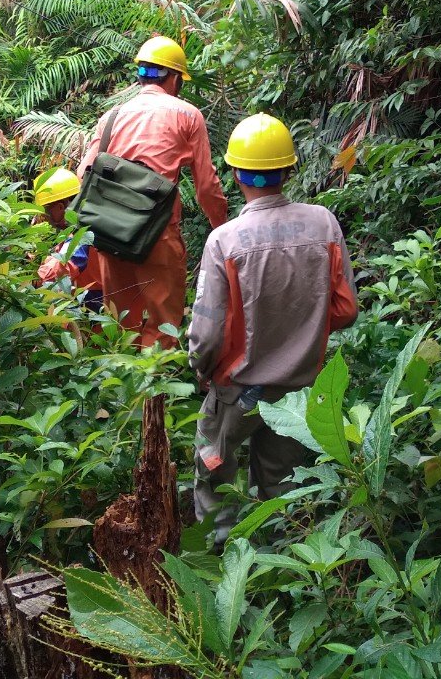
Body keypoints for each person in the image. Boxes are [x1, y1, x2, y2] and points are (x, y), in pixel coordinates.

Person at [188, 113, 359, 546]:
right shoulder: (324, 223)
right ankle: (290, 574)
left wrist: (202, 370)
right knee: (286, 489)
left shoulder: (225, 240)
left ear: (235, 171)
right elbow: (345, 309)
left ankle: (224, 564)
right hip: (300, 392)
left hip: (237, 391)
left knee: (215, 483)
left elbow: (206, 336)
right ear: (288, 168)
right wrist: (300, 334)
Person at [80, 35, 229, 348]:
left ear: (140, 75)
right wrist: (223, 233)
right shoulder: (187, 115)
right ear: (174, 78)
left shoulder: (111, 117)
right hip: (158, 237)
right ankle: (157, 393)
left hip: (111, 235)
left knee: (120, 327)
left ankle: (124, 394)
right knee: (162, 329)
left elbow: (84, 174)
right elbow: (206, 187)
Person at [32, 168, 103, 309]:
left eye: (44, 211)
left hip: (97, 310)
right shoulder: (90, 219)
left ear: (59, 208)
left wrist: (31, 281)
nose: (43, 217)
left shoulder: (82, 233)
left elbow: (56, 271)